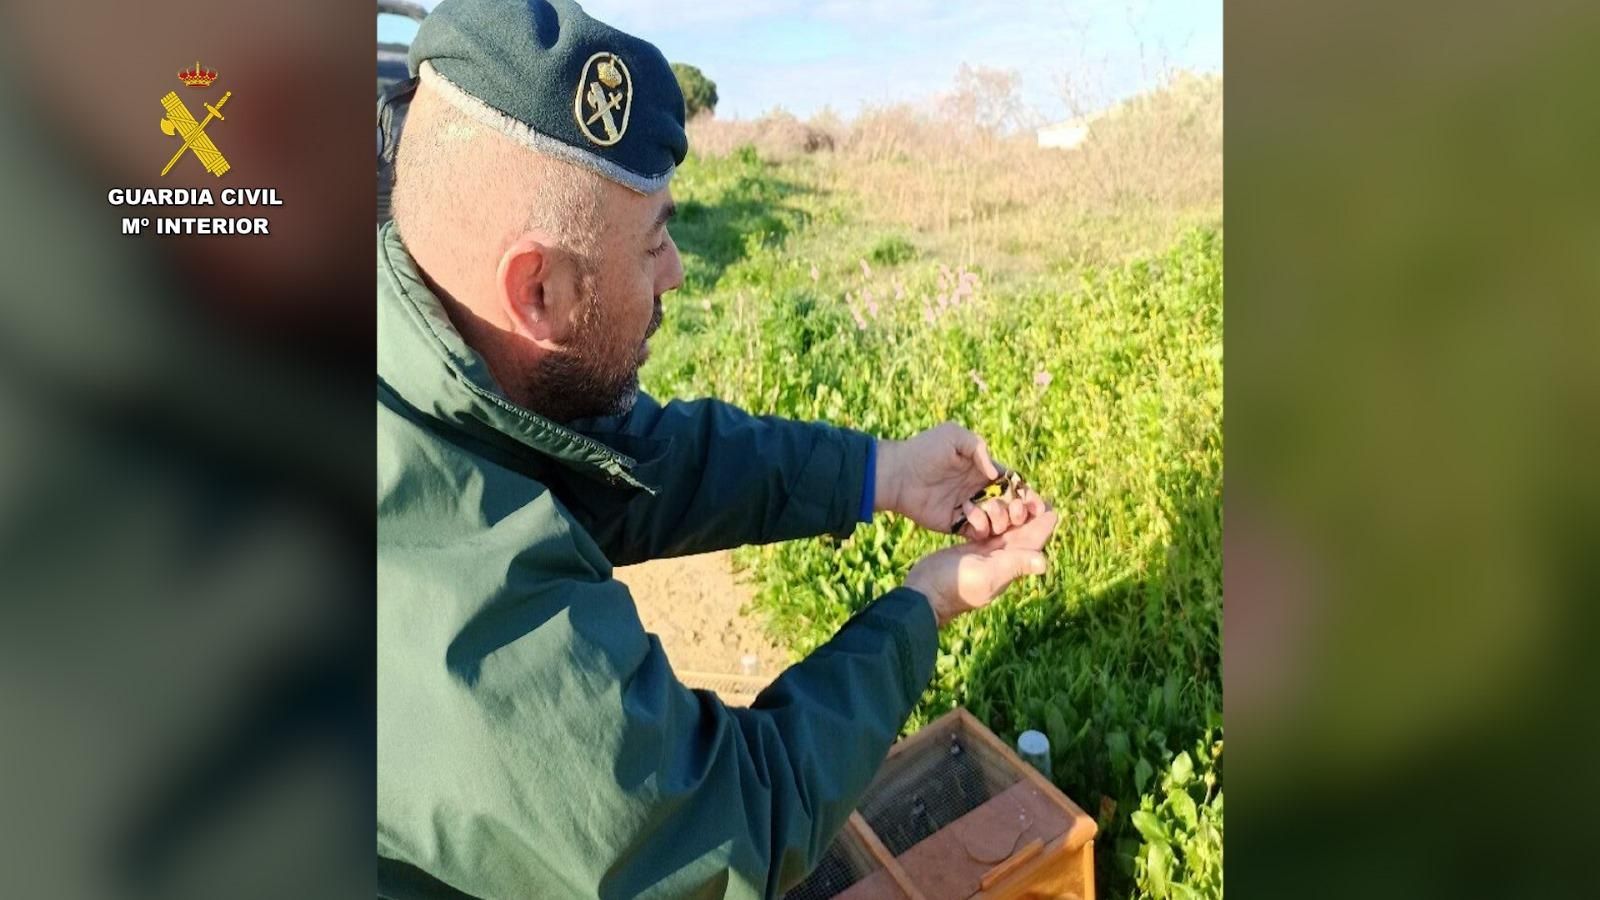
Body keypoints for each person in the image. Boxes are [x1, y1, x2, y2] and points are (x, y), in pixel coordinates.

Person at [376, 1, 1058, 896]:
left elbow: (634, 459)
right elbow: (732, 825)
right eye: (654, 244)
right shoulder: (452, 613)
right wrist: (926, 604)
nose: (677, 273)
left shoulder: (426, 351)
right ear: (535, 288)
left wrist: (878, 471)